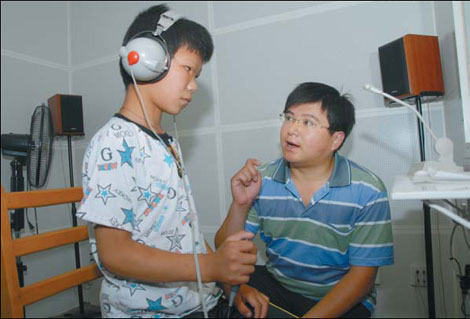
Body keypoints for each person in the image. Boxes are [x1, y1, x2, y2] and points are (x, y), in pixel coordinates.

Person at [77, 4, 268, 318]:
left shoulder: (165, 142)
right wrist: (210, 266)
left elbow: (185, 233)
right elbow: (114, 253)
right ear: (146, 60)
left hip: (200, 302)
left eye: (197, 74)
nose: (193, 84)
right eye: (188, 69)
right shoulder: (113, 143)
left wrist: (225, 281)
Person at [215, 82, 394, 318]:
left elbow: (363, 277)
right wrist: (240, 205)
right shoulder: (263, 180)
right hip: (279, 286)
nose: (291, 129)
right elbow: (223, 247)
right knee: (224, 297)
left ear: (336, 140)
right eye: (289, 118)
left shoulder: (367, 190)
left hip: (340, 295)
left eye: (307, 122)